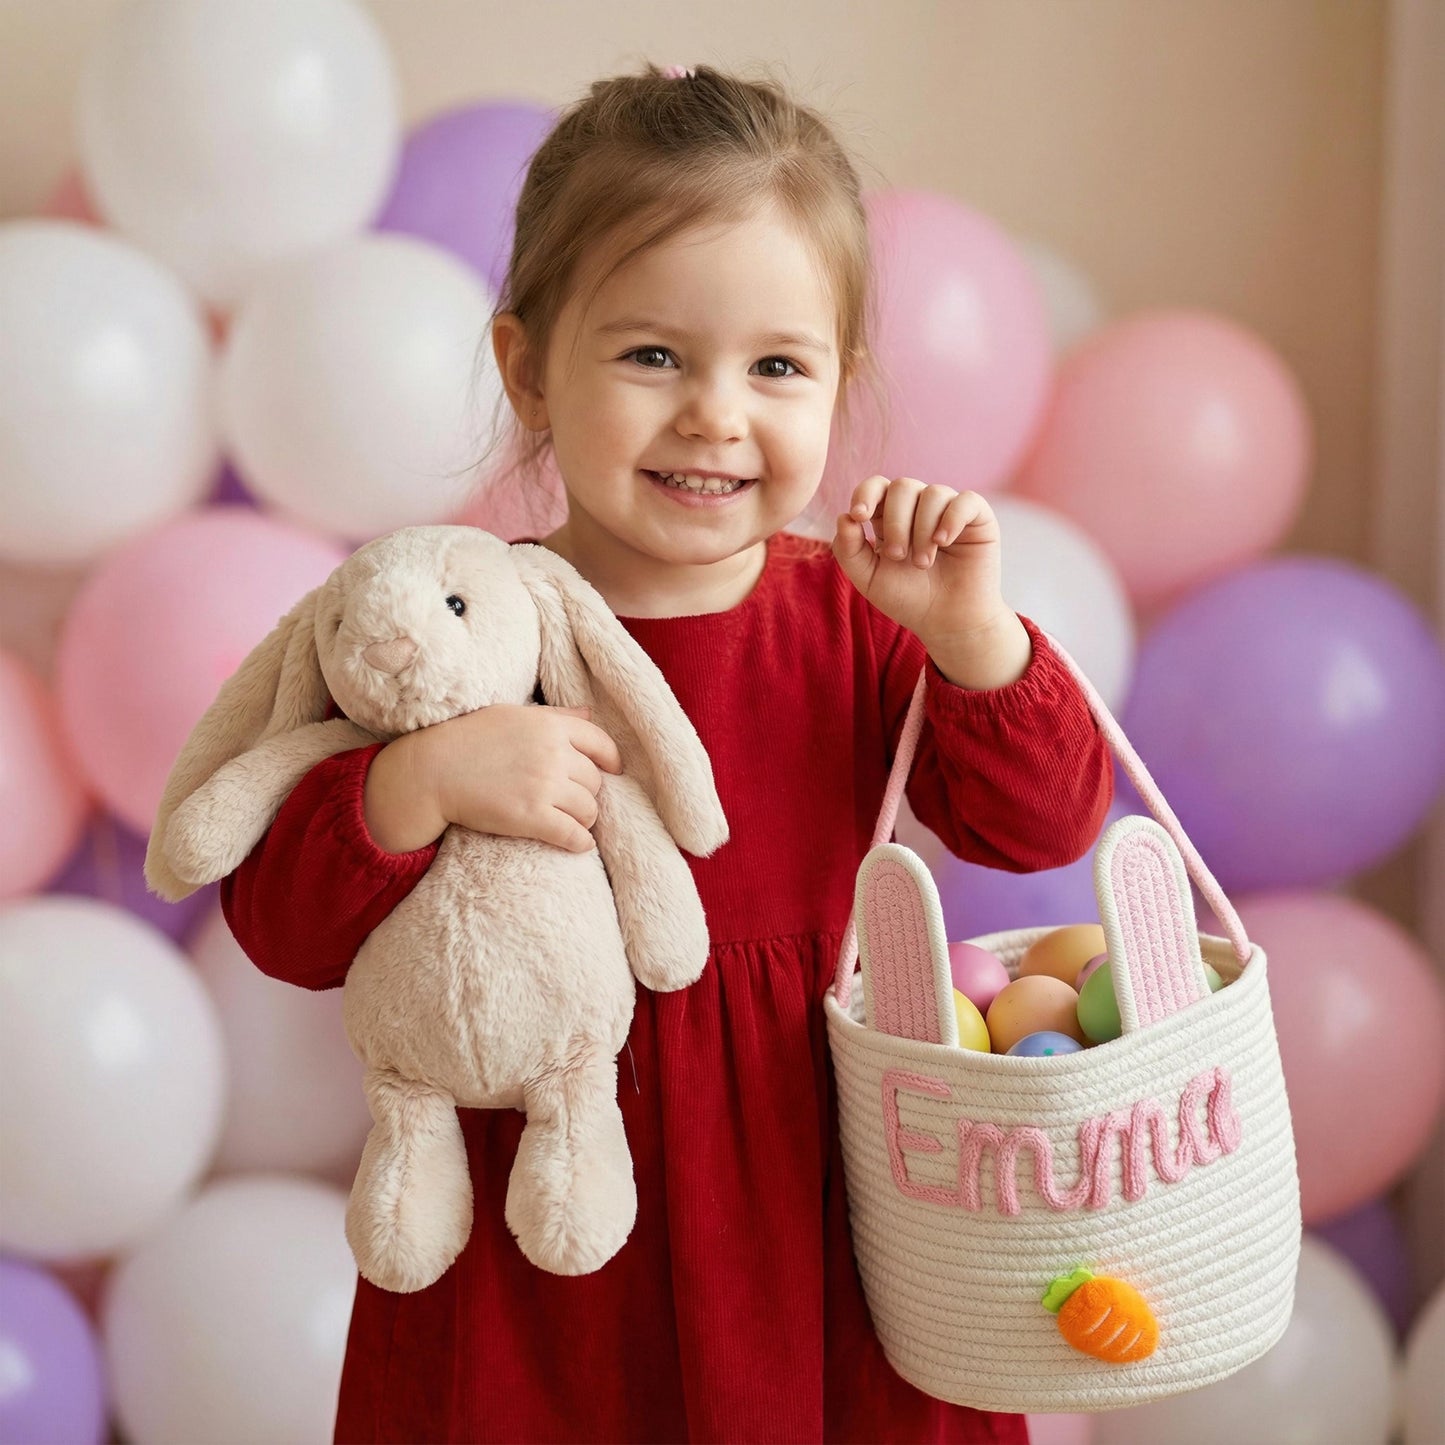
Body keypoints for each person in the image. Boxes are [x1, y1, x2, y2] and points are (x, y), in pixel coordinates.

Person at [221, 62, 1112, 1445]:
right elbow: (278, 919)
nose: (714, 412)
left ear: (839, 386)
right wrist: (413, 783)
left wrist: (971, 637)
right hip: (542, 1245)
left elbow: (1044, 821)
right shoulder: (450, 626)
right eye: (652, 355)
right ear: (526, 366)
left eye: (775, 367)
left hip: (818, 1221)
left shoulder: (853, 624)